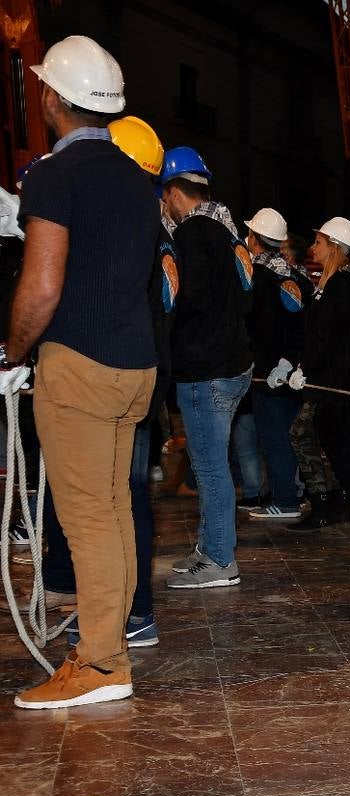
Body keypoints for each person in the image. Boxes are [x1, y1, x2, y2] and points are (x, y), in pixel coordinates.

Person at [7, 36, 159, 709]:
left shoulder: (52, 175)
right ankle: (109, 646)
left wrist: (12, 353)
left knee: (89, 519)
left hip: (80, 365)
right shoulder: (135, 176)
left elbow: (41, 288)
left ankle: (100, 664)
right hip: (136, 365)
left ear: (50, 99)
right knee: (116, 509)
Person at [58, 115, 176, 651]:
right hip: (143, 372)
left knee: (111, 503)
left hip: (111, 369)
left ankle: (119, 623)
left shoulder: (123, 228)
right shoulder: (152, 227)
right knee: (126, 499)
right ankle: (133, 611)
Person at [159, 145, 253, 589]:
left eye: (163, 196)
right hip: (233, 364)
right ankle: (209, 545)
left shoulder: (192, 235)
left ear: (176, 192)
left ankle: (219, 560)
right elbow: (246, 297)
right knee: (212, 465)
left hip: (205, 370)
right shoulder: (227, 233)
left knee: (211, 469)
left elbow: (185, 300)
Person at [285, 216, 350, 529]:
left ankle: (328, 501)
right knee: (323, 436)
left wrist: (304, 367)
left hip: (331, 380)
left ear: (335, 248)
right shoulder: (336, 283)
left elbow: (327, 334)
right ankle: (332, 500)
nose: (313, 248)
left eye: (320, 242)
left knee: (305, 434)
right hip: (328, 378)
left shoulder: (340, 284)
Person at [243, 207, 309, 520]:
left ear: (255, 240)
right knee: (290, 436)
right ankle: (292, 493)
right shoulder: (296, 276)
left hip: (266, 372)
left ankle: (285, 500)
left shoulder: (257, 278)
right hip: (291, 371)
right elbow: (302, 326)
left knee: (275, 438)